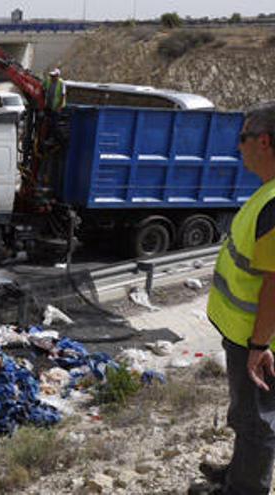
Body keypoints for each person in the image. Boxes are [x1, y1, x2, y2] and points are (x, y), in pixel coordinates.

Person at [203, 102, 275, 495]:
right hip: (247, 334)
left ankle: (245, 489)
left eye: (242, 138)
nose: (239, 147)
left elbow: (274, 283)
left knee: (256, 419)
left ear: (263, 142)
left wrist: (259, 345)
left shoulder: (274, 203)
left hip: (259, 340)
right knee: (245, 413)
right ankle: (238, 473)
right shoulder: (268, 194)